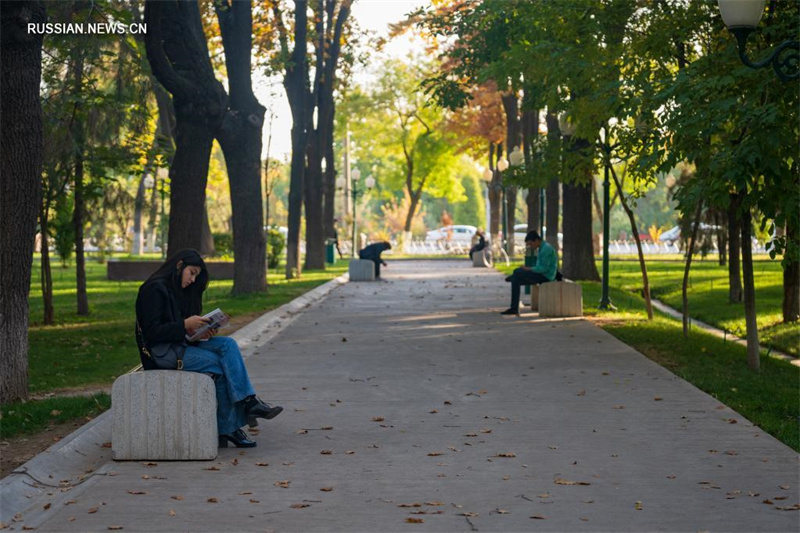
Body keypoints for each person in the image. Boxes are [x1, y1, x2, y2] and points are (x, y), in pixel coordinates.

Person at [135, 249, 283, 448]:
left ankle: (248, 403)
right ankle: (231, 425)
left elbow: (182, 332)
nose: (193, 279)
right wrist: (185, 325)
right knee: (220, 366)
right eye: (192, 272)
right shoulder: (153, 289)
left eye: (196, 275)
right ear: (179, 266)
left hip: (181, 345)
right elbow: (152, 333)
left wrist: (199, 333)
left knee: (228, 344)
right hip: (162, 354)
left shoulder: (181, 291)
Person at [501, 231, 558, 315]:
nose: (530, 247)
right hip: (541, 274)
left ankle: (514, 307)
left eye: (531, 244)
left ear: (536, 240)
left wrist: (529, 269)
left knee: (517, 272)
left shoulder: (546, 249)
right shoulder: (542, 248)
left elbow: (544, 269)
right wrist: (529, 268)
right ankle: (514, 308)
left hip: (546, 276)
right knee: (515, 280)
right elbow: (540, 266)